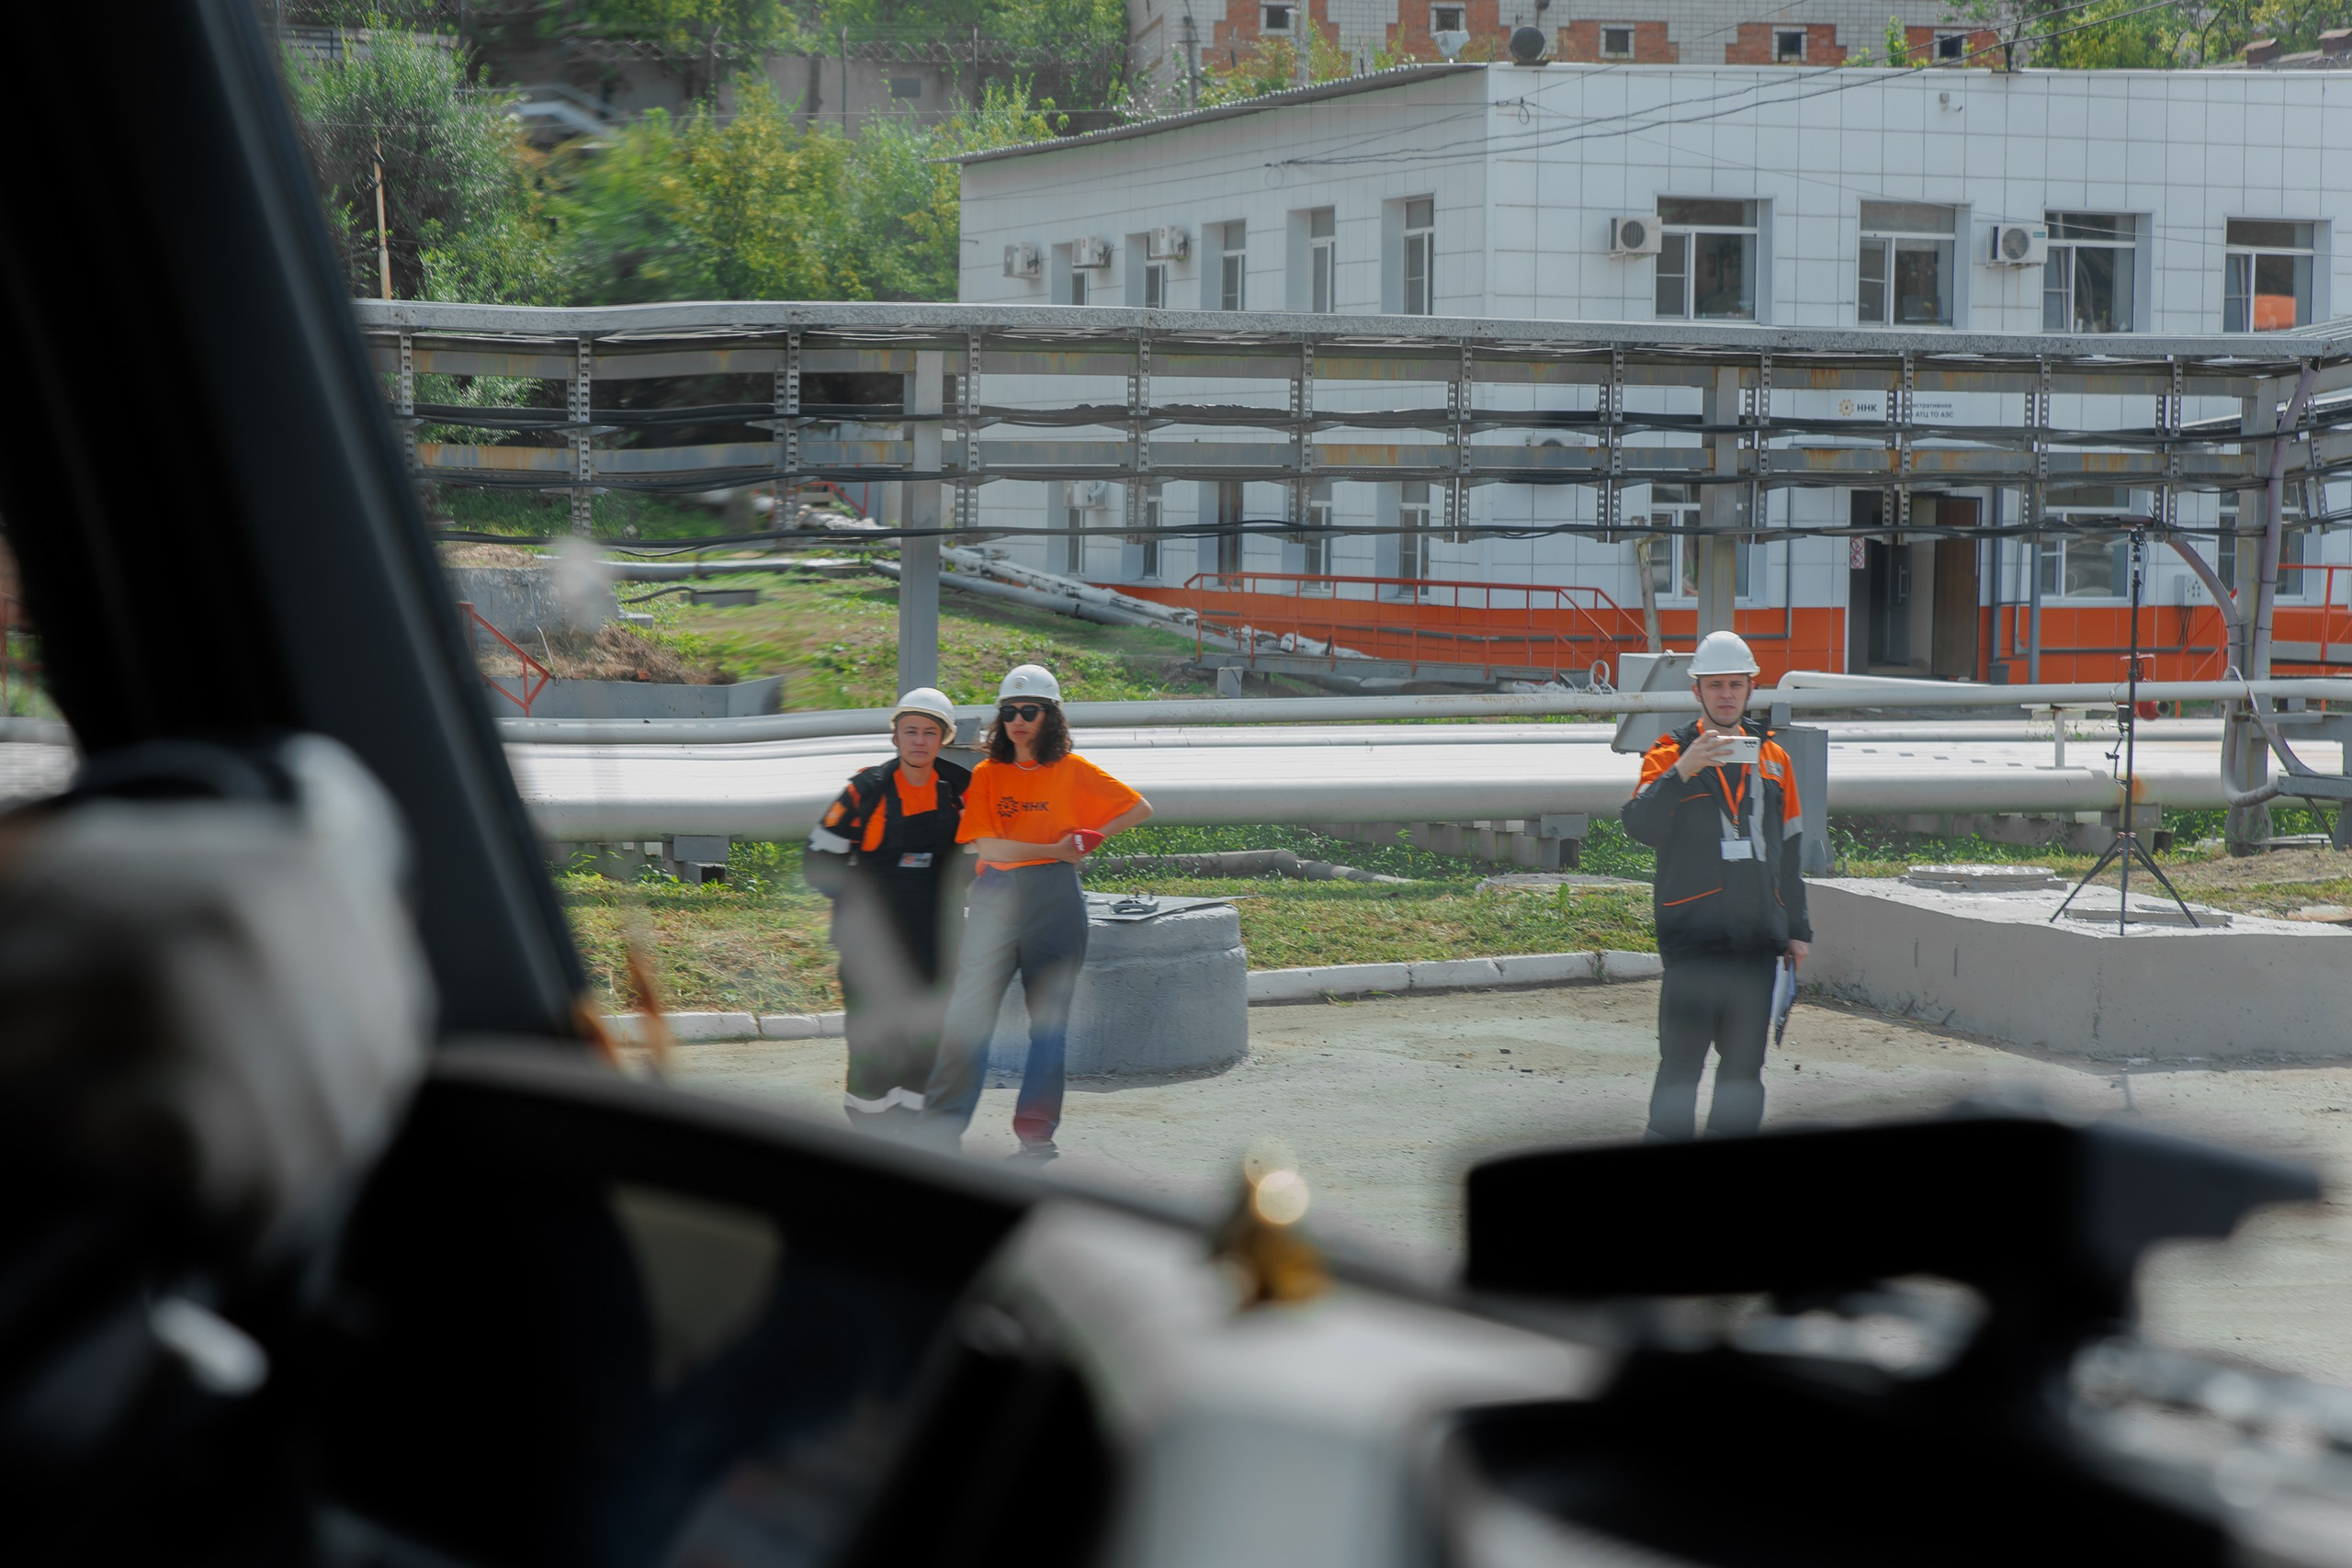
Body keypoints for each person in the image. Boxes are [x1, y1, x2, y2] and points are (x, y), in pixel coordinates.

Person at [916, 664, 1153, 1159]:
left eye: (1030, 711)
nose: (1018, 720)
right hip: (996, 899)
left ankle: (1036, 1133)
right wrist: (1057, 850)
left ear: (1051, 716)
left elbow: (1138, 808)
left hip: (1056, 901)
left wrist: (1093, 837)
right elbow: (988, 849)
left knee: (1048, 1024)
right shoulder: (986, 774)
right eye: (1009, 712)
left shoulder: (1074, 771)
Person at [1621, 630, 1812, 1140]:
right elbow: (1638, 826)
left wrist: (1798, 930)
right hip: (1693, 943)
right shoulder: (1667, 753)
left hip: (1755, 944)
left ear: (1751, 689)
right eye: (1715, 685)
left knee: (1743, 1075)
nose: (1726, 694)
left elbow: (1790, 851)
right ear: (1696, 692)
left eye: (1736, 684)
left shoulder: (1775, 759)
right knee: (1681, 1069)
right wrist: (1683, 771)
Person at [806, 688, 972, 1133]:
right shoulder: (865, 790)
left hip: (935, 949)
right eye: (910, 731)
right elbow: (818, 861)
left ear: (944, 739)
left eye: (930, 732)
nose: (919, 741)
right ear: (895, 736)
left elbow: (984, 860)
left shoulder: (962, 791)